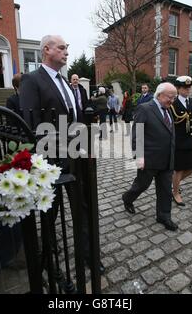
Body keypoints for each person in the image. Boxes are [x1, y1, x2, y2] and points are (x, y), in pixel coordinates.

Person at [19, 35, 105, 274]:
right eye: (62, 48)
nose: (67, 52)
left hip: (76, 156)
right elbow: (32, 124)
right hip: (51, 160)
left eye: (67, 48)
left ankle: (88, 253)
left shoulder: (66, 82)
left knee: (83, 207)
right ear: (46, 50)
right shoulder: (31, 79)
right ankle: (48, 256)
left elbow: (75, 118)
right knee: (50, 210)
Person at [122, 82, 179, 231]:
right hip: (149, 159)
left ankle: (163, 215)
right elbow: (137, 135)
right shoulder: (145, 108)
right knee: (141, 185)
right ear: (159, 95)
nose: (172, 100)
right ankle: (127, 198)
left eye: (174, 97)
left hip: (167, 160)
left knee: (166, 189)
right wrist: (139, 157)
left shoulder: (168, 109)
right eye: (170, 97)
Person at [170, 76, 192, 207]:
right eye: (185, 87)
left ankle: (173, 184)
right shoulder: (173, 103)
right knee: (179, 169)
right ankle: (175, 192)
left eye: (189, 87)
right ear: (178, 89)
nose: (187, 90)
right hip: (178, 142)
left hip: (191, 141)